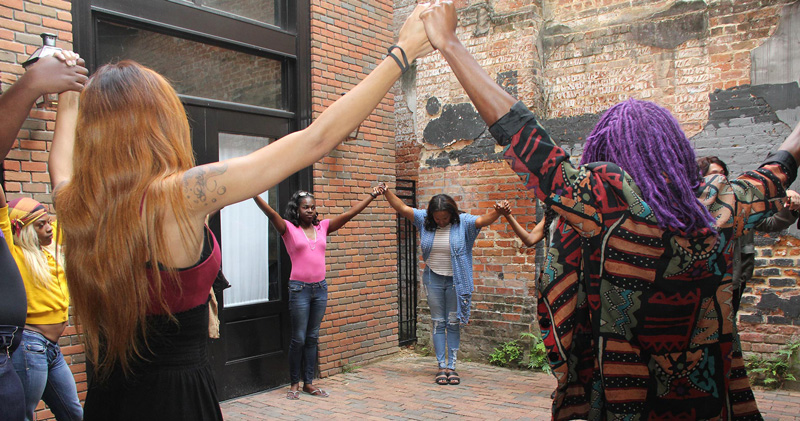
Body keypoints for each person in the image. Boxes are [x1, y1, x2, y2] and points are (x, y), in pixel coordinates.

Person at [47, 6, 432, 420]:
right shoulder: (180, 195)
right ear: (160, 124)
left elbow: (61, 166)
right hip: (175, 401)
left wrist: (70, 102)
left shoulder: (78, 205)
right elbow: (316, 138)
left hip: (110, 397)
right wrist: (402, 51)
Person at [419, 1, 800, 418]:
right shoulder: (722, 208)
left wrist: (451, 44)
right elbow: (778, 168)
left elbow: (528, 142)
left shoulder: (605, 207)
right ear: (675, 150)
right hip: (712, 408)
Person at [0, 52, 87, 421]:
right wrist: (33, 84)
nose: (49, 227)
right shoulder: (13, 247)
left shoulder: (55, 250)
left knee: (75, 415)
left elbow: (62, 171)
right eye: (39, 224)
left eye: (48, 221)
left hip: (52, 349)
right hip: (28, 346)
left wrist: (70, 94)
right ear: (19, 229)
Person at [253, 185, 384, 399]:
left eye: (313, 207)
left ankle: (309, 383)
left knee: (312, 337)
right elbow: (271, 213)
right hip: (299, 290)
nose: (310, 211)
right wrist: (253, 193)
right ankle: (294, 383)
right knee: (299, 339)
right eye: (305, 207)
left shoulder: (323, 227)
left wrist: (372, 195)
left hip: (320, 289)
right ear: (296, 209)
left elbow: (349, 214)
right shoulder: (288, 229)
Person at [382, 186, 503, 385]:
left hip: (457, 280)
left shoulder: (463, 223)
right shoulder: (424, 221)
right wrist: (387, 192)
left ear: (452, 214)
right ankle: (440, 366)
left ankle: (452, 367)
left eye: (445, 218)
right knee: (438, 322)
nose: (441, 221)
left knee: (453, 323)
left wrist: (498, 211)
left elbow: (483, 220)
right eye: (437, 218)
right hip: (433, 278)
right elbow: (403, 208)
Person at [698, 156, 800, 313]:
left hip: (733, 281)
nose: (722, 177)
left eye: (724, 173)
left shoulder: (737, 205)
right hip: (701, 283)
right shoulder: (691, 207)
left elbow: (771, 223)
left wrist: (787, 203)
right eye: (715, 173)